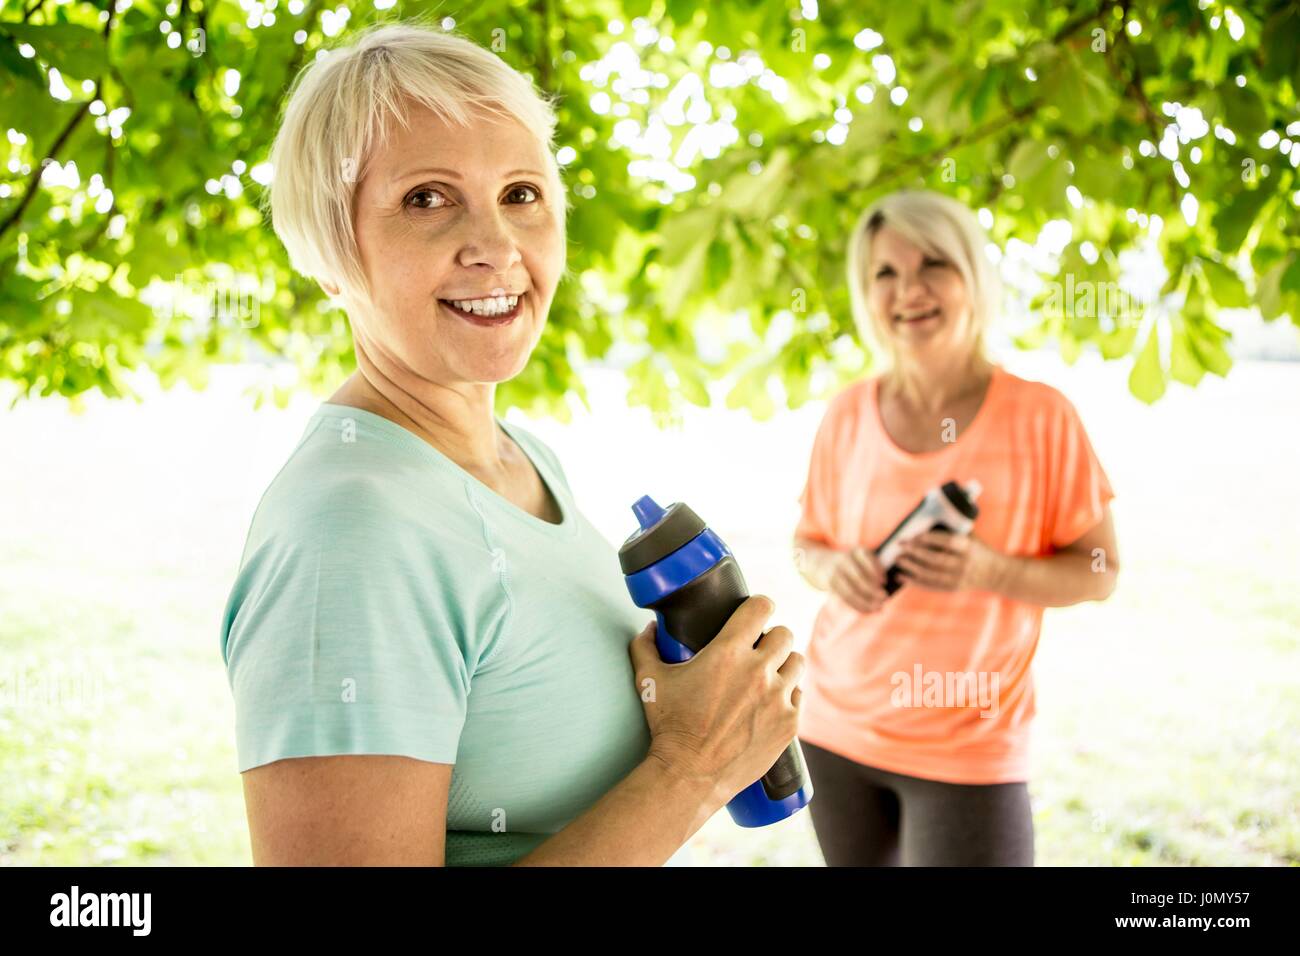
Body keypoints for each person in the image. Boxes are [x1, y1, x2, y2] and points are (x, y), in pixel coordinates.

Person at [220, 22, 803, 866]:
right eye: (427, 198)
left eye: (521, 193)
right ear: (331, 249)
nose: (496, 247)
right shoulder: (349, 534)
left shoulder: (520, 457)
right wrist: (695, 768)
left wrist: (710, 712)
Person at [791, 189, 1119, 866]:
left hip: (970, 748)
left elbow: (1101, 571)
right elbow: (807, 544)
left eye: (933, 263)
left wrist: (991, 569)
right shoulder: (848, 412)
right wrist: (834, 568)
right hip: (834, 729)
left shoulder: (1040, 416)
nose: (908, 289)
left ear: (972, 275)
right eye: (885, 272)